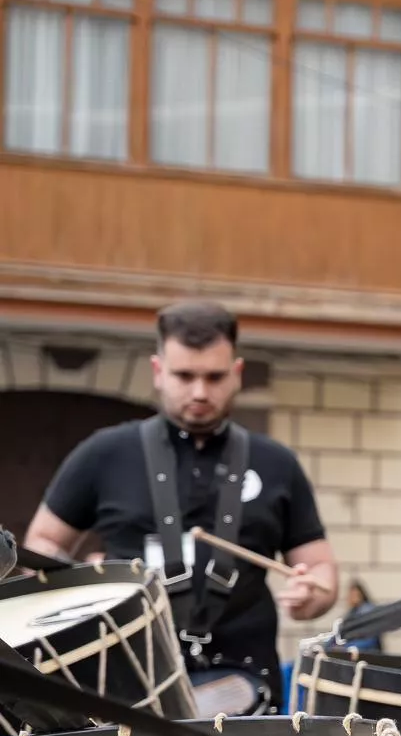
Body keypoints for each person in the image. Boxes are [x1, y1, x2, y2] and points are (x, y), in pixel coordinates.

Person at [24, 302, 337, 714]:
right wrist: (77, 582)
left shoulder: (276, 463)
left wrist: (312, 594)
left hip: (244, 683)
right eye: (185, 376)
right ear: (158, 371)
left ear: (237, 373)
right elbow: (43, 542)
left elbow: (320, 569)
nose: (200, 392)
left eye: (215, 377)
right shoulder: (103, 453)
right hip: (125, 681)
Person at [341, 580, 386, 652]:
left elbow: (370, 639)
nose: (351, 598)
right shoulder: (352, 612)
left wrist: (346, 647)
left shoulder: (367, 611)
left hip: (367, 652)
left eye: (354, 595)